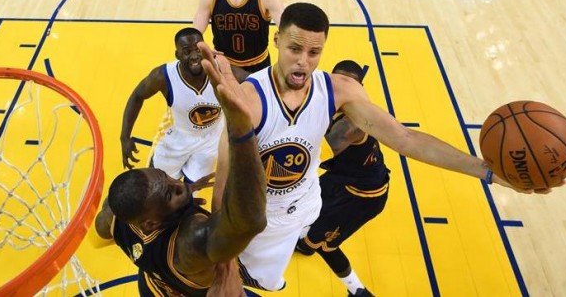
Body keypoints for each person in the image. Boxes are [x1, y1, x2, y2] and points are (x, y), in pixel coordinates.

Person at [211, 2, 550, 292]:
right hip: (262, 216)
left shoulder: (339, 90)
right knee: (240, 282)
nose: (304, 62)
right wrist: (223, 264)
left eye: (314, 52)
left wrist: (488, 171)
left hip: (307, 201)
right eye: (295, 49)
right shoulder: (250, 101)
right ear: (277, 40)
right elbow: (224, 185)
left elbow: (406, 139)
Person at [96, 44, 267, 296]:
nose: (178, 183)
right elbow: (249, 221)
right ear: (151, 223)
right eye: (169, 193)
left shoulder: (115, 215)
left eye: (166, 177)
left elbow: (104, 223)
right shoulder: (189, 242)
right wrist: (240, 130)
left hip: (153, 287)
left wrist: (179, 194)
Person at [293, 60, 388, 297]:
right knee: (304, 200)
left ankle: (358, 291)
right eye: (338, 80)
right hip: (343, 177)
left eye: (349, 83)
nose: (341, 86)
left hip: (362, 196)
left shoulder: (352, 123)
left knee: (327, 246)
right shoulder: (333, 102)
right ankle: (306, 243)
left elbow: (312, 152)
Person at [120, 27, 223, 184]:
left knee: (192, 192)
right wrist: (124, 137)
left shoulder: (222, 69)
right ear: (177, 55)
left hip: (211, 139)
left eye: (198, 49)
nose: (195, 56)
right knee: (158, 185)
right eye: (187, 51)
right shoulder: (163, 76)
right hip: (176, 137)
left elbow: (252, 82)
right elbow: (137, 96)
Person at [193, 0, 283, 80]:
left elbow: (287, 30)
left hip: (258, 66)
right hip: (224, 65)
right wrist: (203, 48)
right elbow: (195, 33)